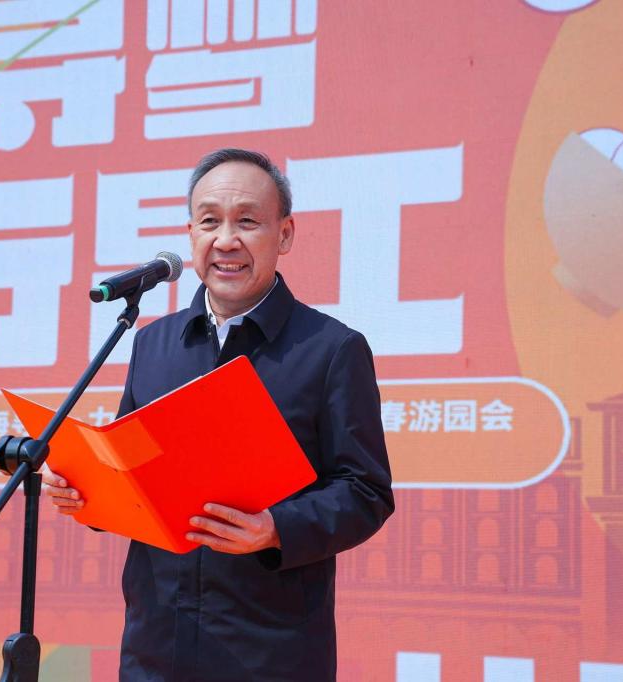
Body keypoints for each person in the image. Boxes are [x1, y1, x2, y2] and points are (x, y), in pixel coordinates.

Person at [43, 148, 394, 680]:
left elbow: (366, 492)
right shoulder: (153, 343)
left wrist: (275, 528)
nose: (226, 240)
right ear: (191, 235)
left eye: (247, 221)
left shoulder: (330, 349)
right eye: (209, 221)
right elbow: (131, 471)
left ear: (285, 235)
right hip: (156, 645)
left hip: (270, 651)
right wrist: (85, 491)